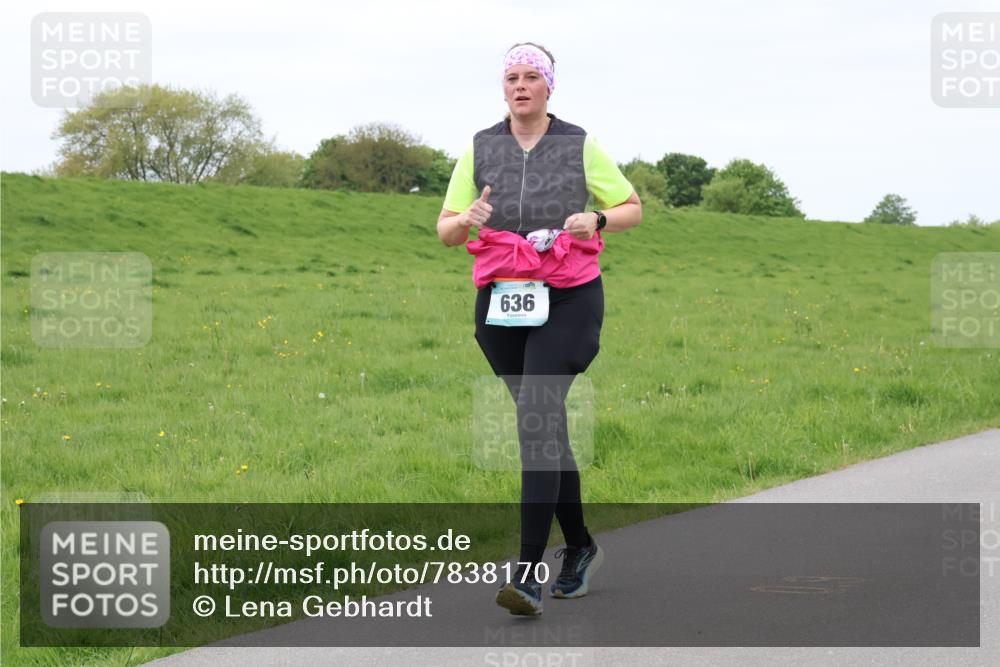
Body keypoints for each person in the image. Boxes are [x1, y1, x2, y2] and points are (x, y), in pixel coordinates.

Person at [437, 42, 642, 615]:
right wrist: (466, 219)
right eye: (511, 77)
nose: (520, 86)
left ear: (549, 86)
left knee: (535, 422)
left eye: (531, 77)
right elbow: (446, 231)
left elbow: (631, 208)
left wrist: (595, 217)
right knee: (543, 426)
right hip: (501, 303)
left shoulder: (579, 144)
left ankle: (526, 572)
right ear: (502, 87)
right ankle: (579, 547)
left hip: (570, 295)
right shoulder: (480, 148)